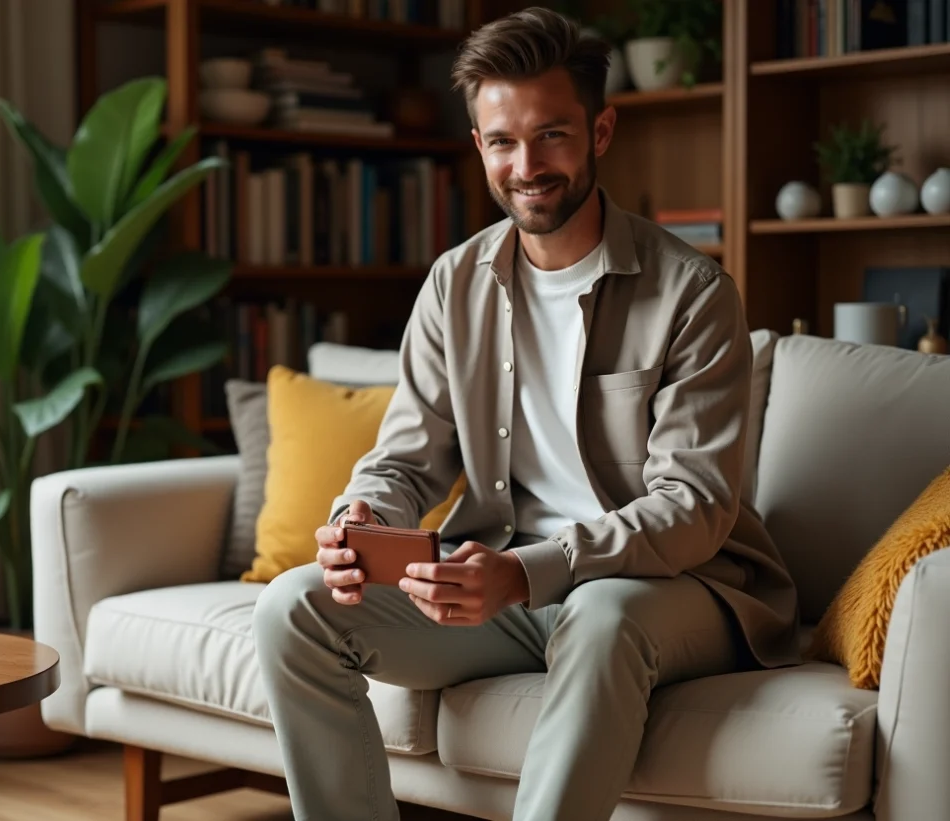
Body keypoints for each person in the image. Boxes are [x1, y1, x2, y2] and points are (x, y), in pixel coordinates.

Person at [252, 8, 801, 821]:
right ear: (478, 145)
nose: (527, 165)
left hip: (675, 585)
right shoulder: (453, 283)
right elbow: (407, 456)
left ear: (601, 130)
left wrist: (526, 572)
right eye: (502, 141)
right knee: (291, 610)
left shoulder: (694, 293)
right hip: (504, 584)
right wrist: (360, 517)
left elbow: (693, 508)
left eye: (552, 136)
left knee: (603, 611)